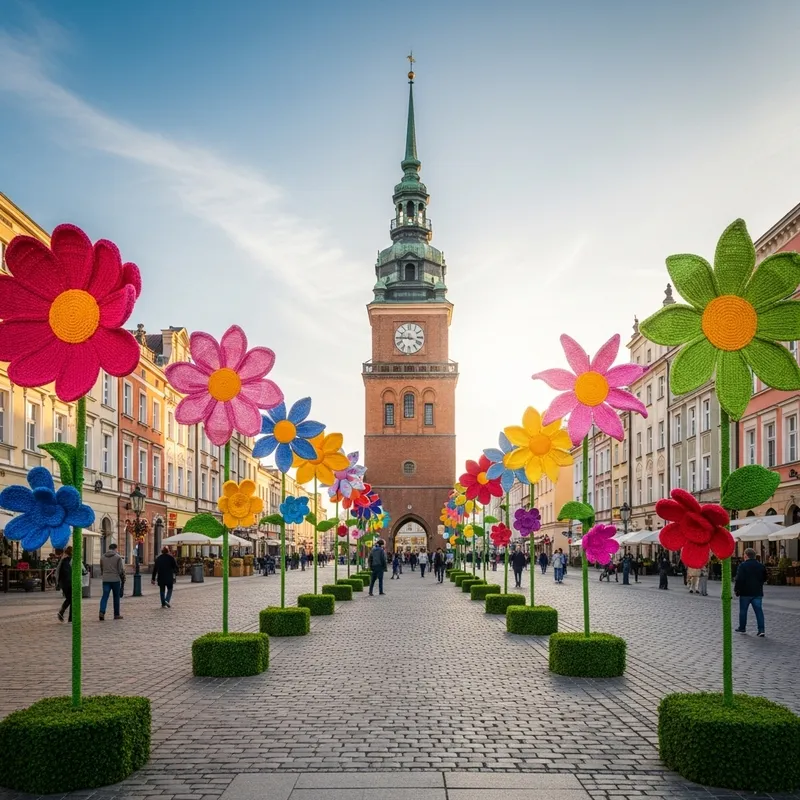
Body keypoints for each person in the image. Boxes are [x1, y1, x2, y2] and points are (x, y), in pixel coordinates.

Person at [735, 548, 767, 636]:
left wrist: (737, 589)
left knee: (743, 611)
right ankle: (761, 630)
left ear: (746, 555)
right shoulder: (761, 566)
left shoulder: (743, 566)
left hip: (745, 592)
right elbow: (765, 578)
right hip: (757, 592)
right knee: (759, 611)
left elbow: (739, 579)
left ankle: (742, 628)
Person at [99, 542, 125, 621]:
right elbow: (120, 570)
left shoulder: (102, 557)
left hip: (106, 579)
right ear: (115, 549)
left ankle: (102, 612)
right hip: (115, 580)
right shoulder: (118, 557)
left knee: (105, 596)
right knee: (116, 597)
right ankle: (116, 614)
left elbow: (101, 568)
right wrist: (123, 579)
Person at [56, 546, 73, 623]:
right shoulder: (67, 560)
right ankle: (66, 614)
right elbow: (67, 573)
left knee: (70, 599)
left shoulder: (63, 559)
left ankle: (67, 615)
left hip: (64, 583)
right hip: (68, 583)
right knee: (71, 599)